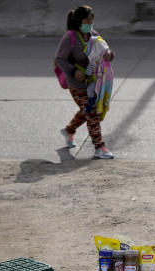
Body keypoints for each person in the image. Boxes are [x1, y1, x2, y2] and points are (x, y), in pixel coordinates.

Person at [55, 5, 115, 159]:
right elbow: (60, 59)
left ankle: (69, 130)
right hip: (76, 84)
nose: (91, 22)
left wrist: (109, 55)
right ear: (78, 20)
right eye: (87, 19)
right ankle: (99, 146)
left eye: (92, 19)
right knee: (91, 111)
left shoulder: (92, 34)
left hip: (92, 82)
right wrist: (74, 72)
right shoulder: (70, 37)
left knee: (87, 110)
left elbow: (105, 50)